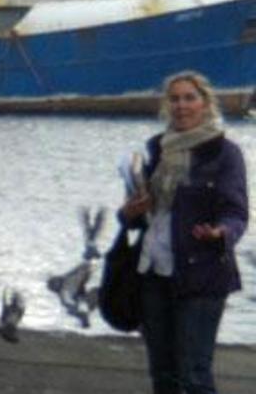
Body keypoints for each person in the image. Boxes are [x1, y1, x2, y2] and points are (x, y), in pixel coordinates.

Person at [120, 71, 248, 394]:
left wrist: (221, 232)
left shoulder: (224, 153)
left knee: (193, 373)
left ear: (205, 103)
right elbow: (138, 215)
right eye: (174, 99)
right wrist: (129, 213)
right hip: (153, 271)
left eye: (189, 97)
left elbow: (236, 212)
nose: (181, 105)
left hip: (201, 274)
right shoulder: (155, 149)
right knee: (162, 374)